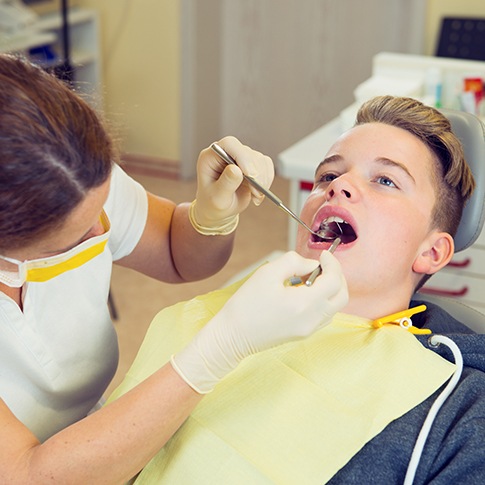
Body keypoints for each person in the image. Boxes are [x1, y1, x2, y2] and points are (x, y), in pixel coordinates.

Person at [0, 53, 348, 483]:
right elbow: (25, 476)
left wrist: (210, 215)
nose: (100, 229)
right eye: (74, 235)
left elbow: (174, 252)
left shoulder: (72, 173)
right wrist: (218, 349)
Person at [108, 95, 485, 484]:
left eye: (385, 180)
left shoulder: (458, 408)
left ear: (432, 251)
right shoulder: (234, 312)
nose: (339, 186)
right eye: (327, 176)